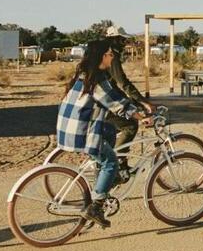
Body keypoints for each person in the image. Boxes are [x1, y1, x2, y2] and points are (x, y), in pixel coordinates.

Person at [56, 39, 147, 228]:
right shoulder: (97, 79)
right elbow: (115, 102)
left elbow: (114, 97)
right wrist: (141, 116)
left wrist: (134, 108)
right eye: (109, 54)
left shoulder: (85, 74)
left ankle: (104, 174)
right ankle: (96, 206)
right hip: (81, 132)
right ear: (102, 56)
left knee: (110, 130)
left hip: (69, 127)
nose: (112, 57)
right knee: (111, 162)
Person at [104, 26, 156, 178]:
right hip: (103, 100)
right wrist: (143, 102)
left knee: (113, 129)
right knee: (130, 125)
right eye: (121, 39)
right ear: (114, 39)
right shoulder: (110, 55)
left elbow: (116, 85)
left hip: (102, 97)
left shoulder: (104, 53)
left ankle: (118, 162)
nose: (124, 42)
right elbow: (123, 83)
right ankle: (119, 163)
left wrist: (134, 102)